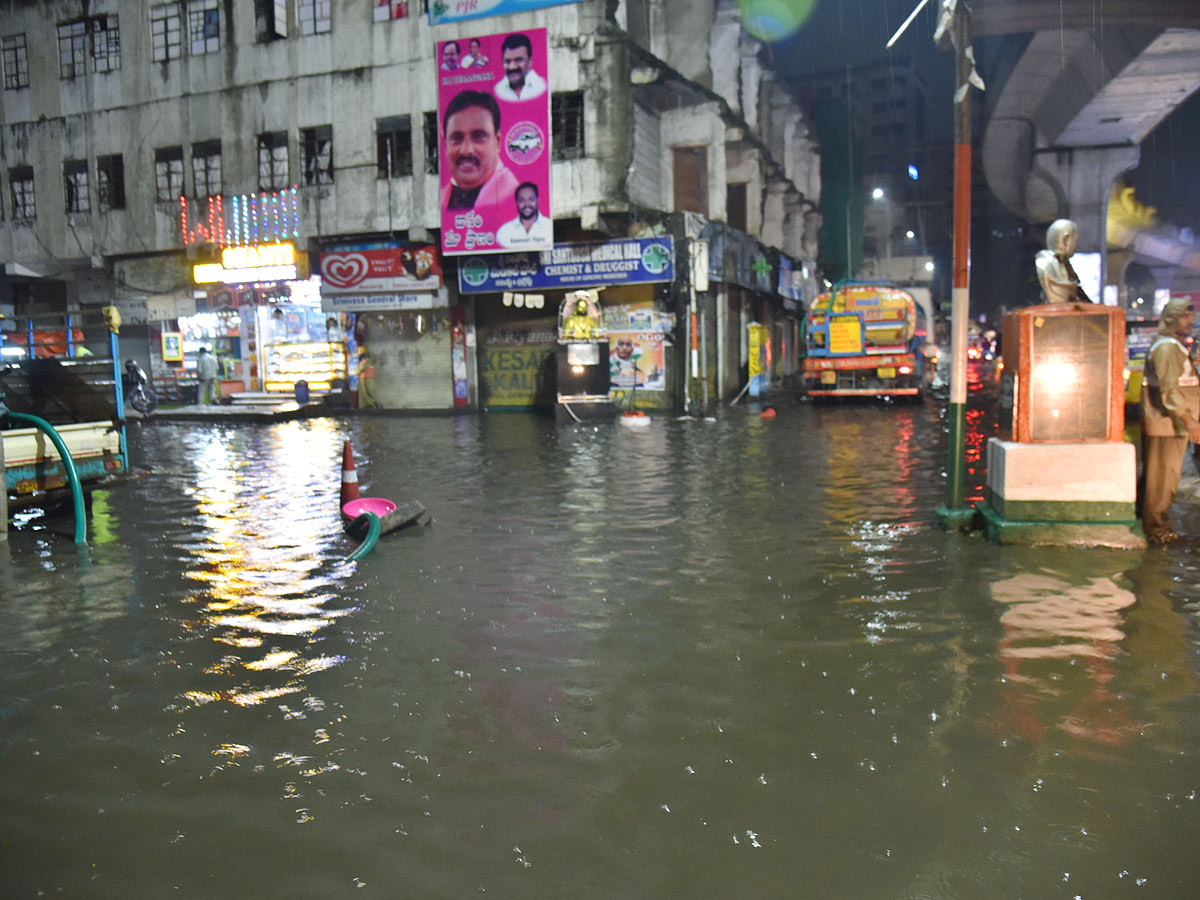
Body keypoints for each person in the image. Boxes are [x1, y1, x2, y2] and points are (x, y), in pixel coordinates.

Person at [1140, 295, 1200, 545]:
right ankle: (1157, 531)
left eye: (1191, 316)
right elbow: (1169, 390)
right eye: (1184, 316)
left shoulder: (1173, 345)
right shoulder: (1166, 346)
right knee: (1162, 479)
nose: (1189, 321)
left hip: (1171, 424)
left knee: (1162, 478)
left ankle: (1156, 525)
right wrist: (1188, 420)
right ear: (1172, 317)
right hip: (1166, 424)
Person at [440, 90, 520, 221]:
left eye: (478, 136)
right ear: (445, 145)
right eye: (456, 138)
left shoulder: (512, 197)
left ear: (498, 142)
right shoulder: (444, 198)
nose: (466, 150)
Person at [1034, 218, 1093, 304]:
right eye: (1075, 241)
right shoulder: (1046, 263)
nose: (1077, 246)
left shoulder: (1065, 264)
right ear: (1065, 240)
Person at [496, 182, 552, 248]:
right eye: (522, 200)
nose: (527, 204)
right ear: (516, 203)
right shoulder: (504, 231)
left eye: (531, 199)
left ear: (538, 200)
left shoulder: (549, 226)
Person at [494, 33, 546, 102]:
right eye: (507, 61)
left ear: (530, 61)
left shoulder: (541, 86)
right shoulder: (498, 90)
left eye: (518, 60)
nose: (512, 67)